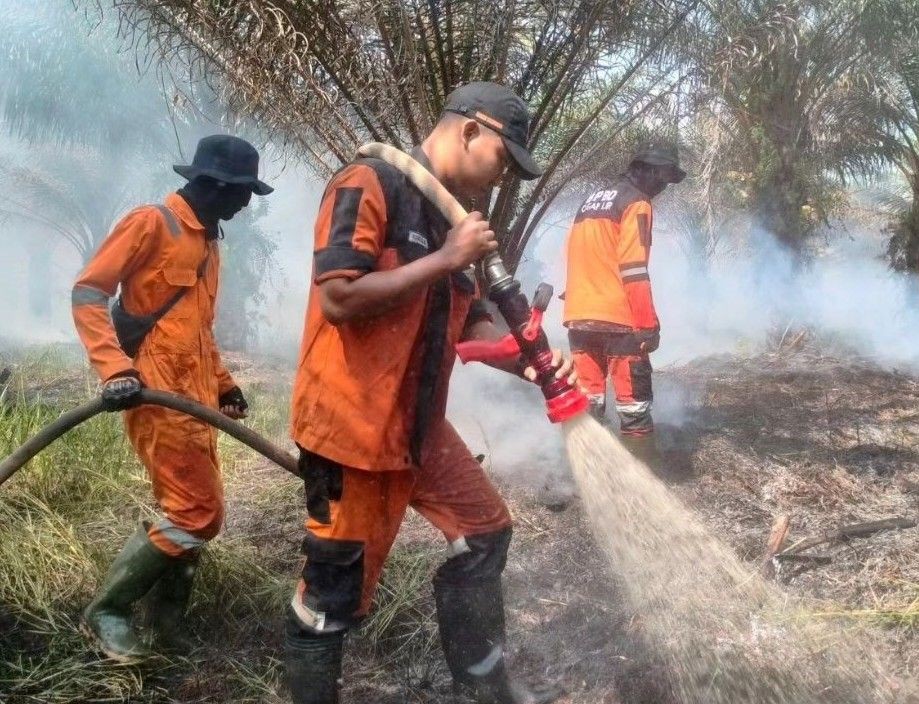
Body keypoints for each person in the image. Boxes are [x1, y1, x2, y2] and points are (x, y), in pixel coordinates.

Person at [285, 82, 573, 704]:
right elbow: (339, 298)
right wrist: (447, 257)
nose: (501, 181)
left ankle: (483, 687)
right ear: (471, 130)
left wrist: (529, 362)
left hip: (418, 426)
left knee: (486, 532)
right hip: (354, 428)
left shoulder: (452, 221)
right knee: (331, 598)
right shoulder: (367, 184)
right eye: (503, 160)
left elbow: (468, 323)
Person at [71, 134, 273, 660]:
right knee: (196, 511)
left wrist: (224, 383)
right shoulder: (150, 224)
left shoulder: (208, 244)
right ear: (212, 185)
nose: (246, 203)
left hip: (196, 399)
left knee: (195, 507)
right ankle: (106, 611)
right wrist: (114, 368)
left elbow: (197, 331)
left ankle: (167, 623)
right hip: (155, 394)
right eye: (241, 192)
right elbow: (89, 293)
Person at [562, 143, 685, 462]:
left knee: (588, 403)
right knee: (633, 405)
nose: (662, 187)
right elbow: (633, 268)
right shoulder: (637, 203)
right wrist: (646, 325)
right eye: (662, 178)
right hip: (619, 320)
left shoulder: (590, 203)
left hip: (579, 316)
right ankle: (643, 480)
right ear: (644, 171)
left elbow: (578, 254)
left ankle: (591, 472)